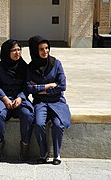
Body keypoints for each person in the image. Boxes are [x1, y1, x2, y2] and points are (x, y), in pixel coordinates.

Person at [27, 35, 71, 165]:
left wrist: (39, 88)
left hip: (57, 101)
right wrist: (48, 86)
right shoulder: (31, 67)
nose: (45, 51)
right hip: (40, 102)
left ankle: (56, 154)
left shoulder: (56, 63)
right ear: (35, 50)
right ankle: (43, 152)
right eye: (41, 49)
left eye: (47, 48)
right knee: (39, 124)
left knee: (58, 125)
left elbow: (62, 86)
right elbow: (29, 88)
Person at [0, 39, 34, 161]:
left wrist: (20, 97)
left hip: (20, 99)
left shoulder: (24, 67)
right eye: (13, 50)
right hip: (3, 98)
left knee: (28, 114)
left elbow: (27, 86)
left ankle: (25, 146)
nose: (17, 53)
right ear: (6, 52)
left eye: (19, 49)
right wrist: (4, 98)